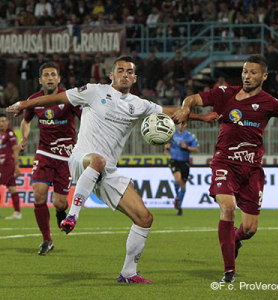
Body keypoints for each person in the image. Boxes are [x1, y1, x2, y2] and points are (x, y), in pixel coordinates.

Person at [7, 56, 218, 283]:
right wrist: (24, 104)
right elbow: (56, 98)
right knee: (98, 161)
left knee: (144, 218)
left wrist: (200, 117)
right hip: (81, 160)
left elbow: (172, 112)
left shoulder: (139, 104)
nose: (125, 74)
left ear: (135, 78)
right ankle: (72, 215)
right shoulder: (93, 91)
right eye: (120, 70)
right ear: (111, 75)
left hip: (107, 172)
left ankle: (128, 273)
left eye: (129, 71)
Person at [172, 54, 278, 283]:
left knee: (250, 228)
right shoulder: (225, 93)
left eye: (252, 72)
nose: (247, 76)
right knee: (228, 207)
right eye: (244, 71)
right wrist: (184, 109)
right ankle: (229, 270)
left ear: (264, 76)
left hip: (252, 170)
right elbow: (192, 99)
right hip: (225, 163)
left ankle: (237, 239)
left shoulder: (270, 102)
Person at [18, 62, 81, 256]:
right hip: (44, 152)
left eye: (53, 74)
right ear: (40, 80)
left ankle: (61, 213)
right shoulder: (34, 100)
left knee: (60, 203)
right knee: (38, 194)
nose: (50, 78)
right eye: (46, 75)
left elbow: (85, 118)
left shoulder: (69, 98)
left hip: (66, 157)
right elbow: (26, 120)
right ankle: (46, 240)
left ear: (59, 79)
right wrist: (24, 137)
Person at [164, 122, 199, 216]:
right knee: (177, 179)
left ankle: (178, 203)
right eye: (180, 124)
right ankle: (177, 199)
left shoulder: (190, 136)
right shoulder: (172, 135)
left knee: (183, 185)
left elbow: (197, 149)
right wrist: (167, 148)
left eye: (183, 124)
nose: (181, 125)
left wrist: (187, 147)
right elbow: (167, 144)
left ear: (186, 125)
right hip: (174, 160)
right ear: (177, 125)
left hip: (185, 162)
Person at [0, 113, 22, 219]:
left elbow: (15, 150)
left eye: (4, 121)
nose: (1, 123)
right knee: (12, 188)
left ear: (7, 122)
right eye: (0, 121)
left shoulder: (10, 134)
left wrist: (17, 166)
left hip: (7, 165)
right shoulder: (1, 134)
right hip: (1, 165)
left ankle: (17, 212)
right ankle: (17, 212)